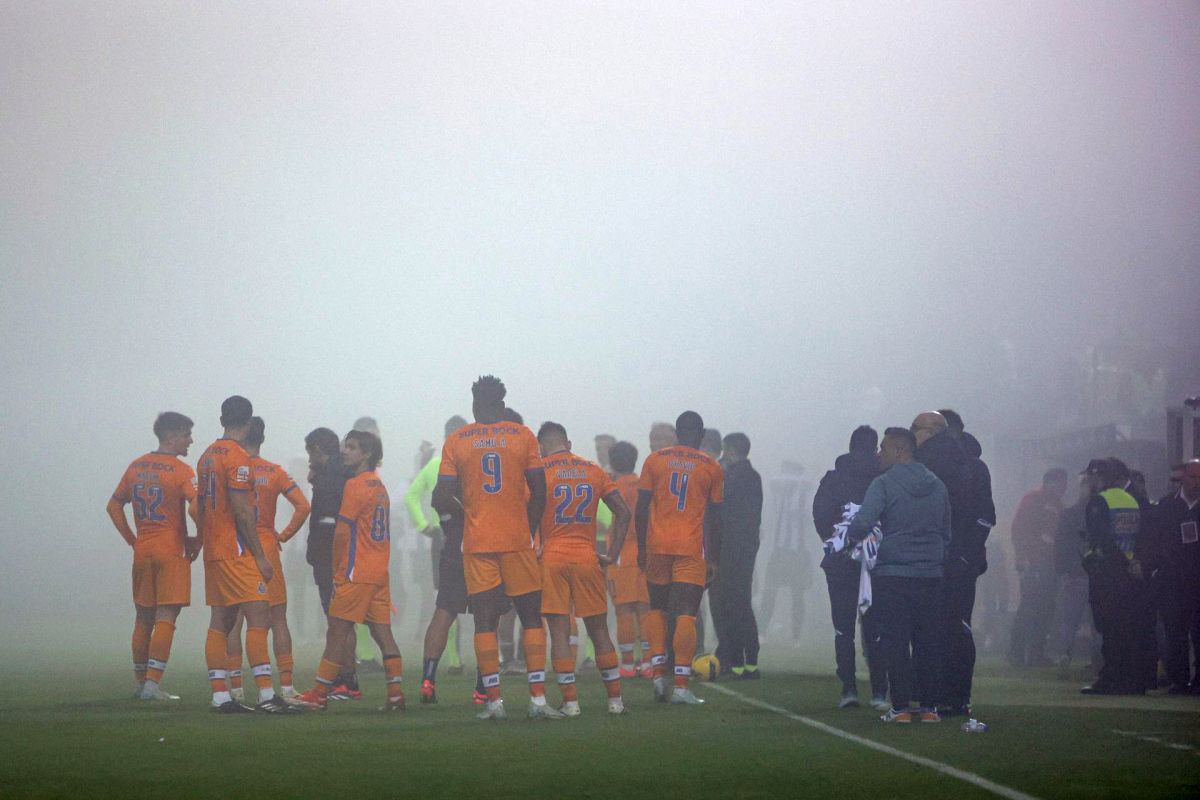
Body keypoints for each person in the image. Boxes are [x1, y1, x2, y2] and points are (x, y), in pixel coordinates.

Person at [432, 376, 554, 721]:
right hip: (517, 541)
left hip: (477, 542)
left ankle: (494, 703)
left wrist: (469, 509)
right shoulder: (523, 436)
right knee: (531, 617)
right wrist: (527, 528)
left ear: (474, 406)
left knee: (484, 621)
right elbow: (540, 490)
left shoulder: (457, 440)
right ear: (501, 405)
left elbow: (441, 495)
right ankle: (538, 700)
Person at [292, 431, 405, 711]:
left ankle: (319, 694)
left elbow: (342, 533)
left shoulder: (355, 486)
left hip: (356, 571)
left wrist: (339, 571)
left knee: (337, 631)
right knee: (383, 635)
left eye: (352, 448)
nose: (345, 452)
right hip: (379, 571)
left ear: (366, 453)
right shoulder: (380, 487)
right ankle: (395, 695)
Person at [846, 427, 950, 724]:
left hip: (893, 573)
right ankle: (930, 707)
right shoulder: (938, 485)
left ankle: (901, 707)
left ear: (898, 450)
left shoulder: (884, 484)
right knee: (928, 641)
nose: (878, 454)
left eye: (883, 448)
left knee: (896, 641)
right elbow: (946, 530)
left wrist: (852, 537)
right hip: (930, 573)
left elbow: (863, 521)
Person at [197, 396, 294, 713]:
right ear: (249, 423)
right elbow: (242, 511)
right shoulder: (238, 458)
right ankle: (267, 695)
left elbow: (199, 507)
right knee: (258, 615)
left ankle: (221, 695)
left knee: (220, 620)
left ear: (221, 418)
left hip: (213, 549)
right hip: (236, 550)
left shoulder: (206, 456)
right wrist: (260, 556)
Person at [536, 422, 632, 715]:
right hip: (587, 556)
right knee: (599, 629)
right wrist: (611, 554)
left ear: (541, 446)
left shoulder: (538, 472)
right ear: (568, 442)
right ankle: (615, 701)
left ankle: (571, 702)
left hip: (552, 557)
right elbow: (623, 512)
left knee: (559, 632)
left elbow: (527, 513)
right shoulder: (593, 470)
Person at [107, 412, 199, 701]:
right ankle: (153, 685)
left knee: (143, 618)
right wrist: (200, 539)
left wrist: (133, 541)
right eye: (186, 435)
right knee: (166, 616)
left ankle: (140, 681)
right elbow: (197, 508)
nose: (191, 440)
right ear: (172, 437)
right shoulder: (182, 470)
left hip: (143, 550)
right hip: (171, 550)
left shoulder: (136, 466)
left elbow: (113, 506)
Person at [636, 410, 724, 705]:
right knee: (686, 612)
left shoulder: (654, 460)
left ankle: (659, 674)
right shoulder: (711, 467)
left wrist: (641, 548)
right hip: (691, 547)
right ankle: (682, 685)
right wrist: (714, 557)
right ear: (700, 436)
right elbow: (715, 516)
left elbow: (641, 506)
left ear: (676, 433)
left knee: (657, 608)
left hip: (657, 545)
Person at [911, 411, 991, 716]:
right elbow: (984, 517)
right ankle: (952, 694)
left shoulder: (940, 464)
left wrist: (961, 553)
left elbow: (979, 515)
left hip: (943, 558)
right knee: (954, 624)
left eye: (915, 429)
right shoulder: (972, 466)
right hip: (958, 559)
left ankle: (939, 692)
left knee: (940, 625)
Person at [225, 417, 310, 701]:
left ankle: (236, 687)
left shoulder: (233, 469)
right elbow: (303, 506)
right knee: (277, 617)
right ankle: (286, 686)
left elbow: (196, 509)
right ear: (262, 439)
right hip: (267, 546)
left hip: (238, 546)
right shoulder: (274, 471)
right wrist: (282, 536)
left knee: (235, 618)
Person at [811, 425, 887, 709]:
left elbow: (820, 516)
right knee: (875, 627)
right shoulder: (884, 478)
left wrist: (836, 542)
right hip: (877, 561)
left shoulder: (834, 478)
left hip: (841, 561)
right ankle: (880, 691)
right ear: (875, 446)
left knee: (843, 628)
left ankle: (849, 690)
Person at [407, 415, 473, 703]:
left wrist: (425, 526)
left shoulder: (435, 465)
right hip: (475, 539)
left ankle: (429, 679)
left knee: (444, 607)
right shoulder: (472, 463)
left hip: (445, 539)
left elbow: (413, 496)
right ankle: (483, 686)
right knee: (486, 611)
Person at [1079, 458, 1148, 694]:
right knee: (1126, 628)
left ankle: (1111, 677)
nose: (1089, 481)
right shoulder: (1130, 500)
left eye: (1091, 477)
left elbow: (1100, 539)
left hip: (1107, 572)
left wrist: (1090, 558)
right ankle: (1130, 678)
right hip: (1130, 572)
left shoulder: (1099, 501)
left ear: (1099, 477)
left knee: (1107, 627)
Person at [303, 427, 359, 700]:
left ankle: (345, 681)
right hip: (345, 557)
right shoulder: (342, 473)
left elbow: (329, 524)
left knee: (338, 622)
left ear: (317, 449)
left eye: (309, 453)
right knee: (344, 621)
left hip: (332, 558)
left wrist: (318, 557)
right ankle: (347, 679)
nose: (309, 461)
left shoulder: (330, 479)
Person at [711, 432, 763, 679]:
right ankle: (750, 661)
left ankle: (733, 659)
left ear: (731, 451)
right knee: (742, 603)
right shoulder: (754, 477)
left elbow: (720, 509)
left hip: (730, 549)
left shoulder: (732, 478)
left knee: (729, 605)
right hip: (747, 548)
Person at [1146, 460, 1200, 693]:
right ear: (1183, 478)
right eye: (1193, 478)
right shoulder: (1166, 507)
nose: (1196, 483)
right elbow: (1155, 541)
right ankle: (1179, 679)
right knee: (1174, 632)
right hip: (1172, 581)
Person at [1007, 469, 1068, 667]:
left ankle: (1035, 652)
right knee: (1029, 607)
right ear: (1051, 483)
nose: (1064, 488)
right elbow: (1019, 529)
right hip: (1034, 563)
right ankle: (1017, 652)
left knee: (1044, 608)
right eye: (1061, 483)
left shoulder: (1057, 505)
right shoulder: (1033, 499)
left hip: (1049, 565)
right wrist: (1023, 557)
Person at [605, 441, 652, 678]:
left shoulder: (612, 488)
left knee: (624, 611)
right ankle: (646, 663)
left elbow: (610, 523)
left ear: (612, 462)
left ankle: (626, 664)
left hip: (621, 554)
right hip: (644, 553)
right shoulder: (644, 485)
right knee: (645, 610)